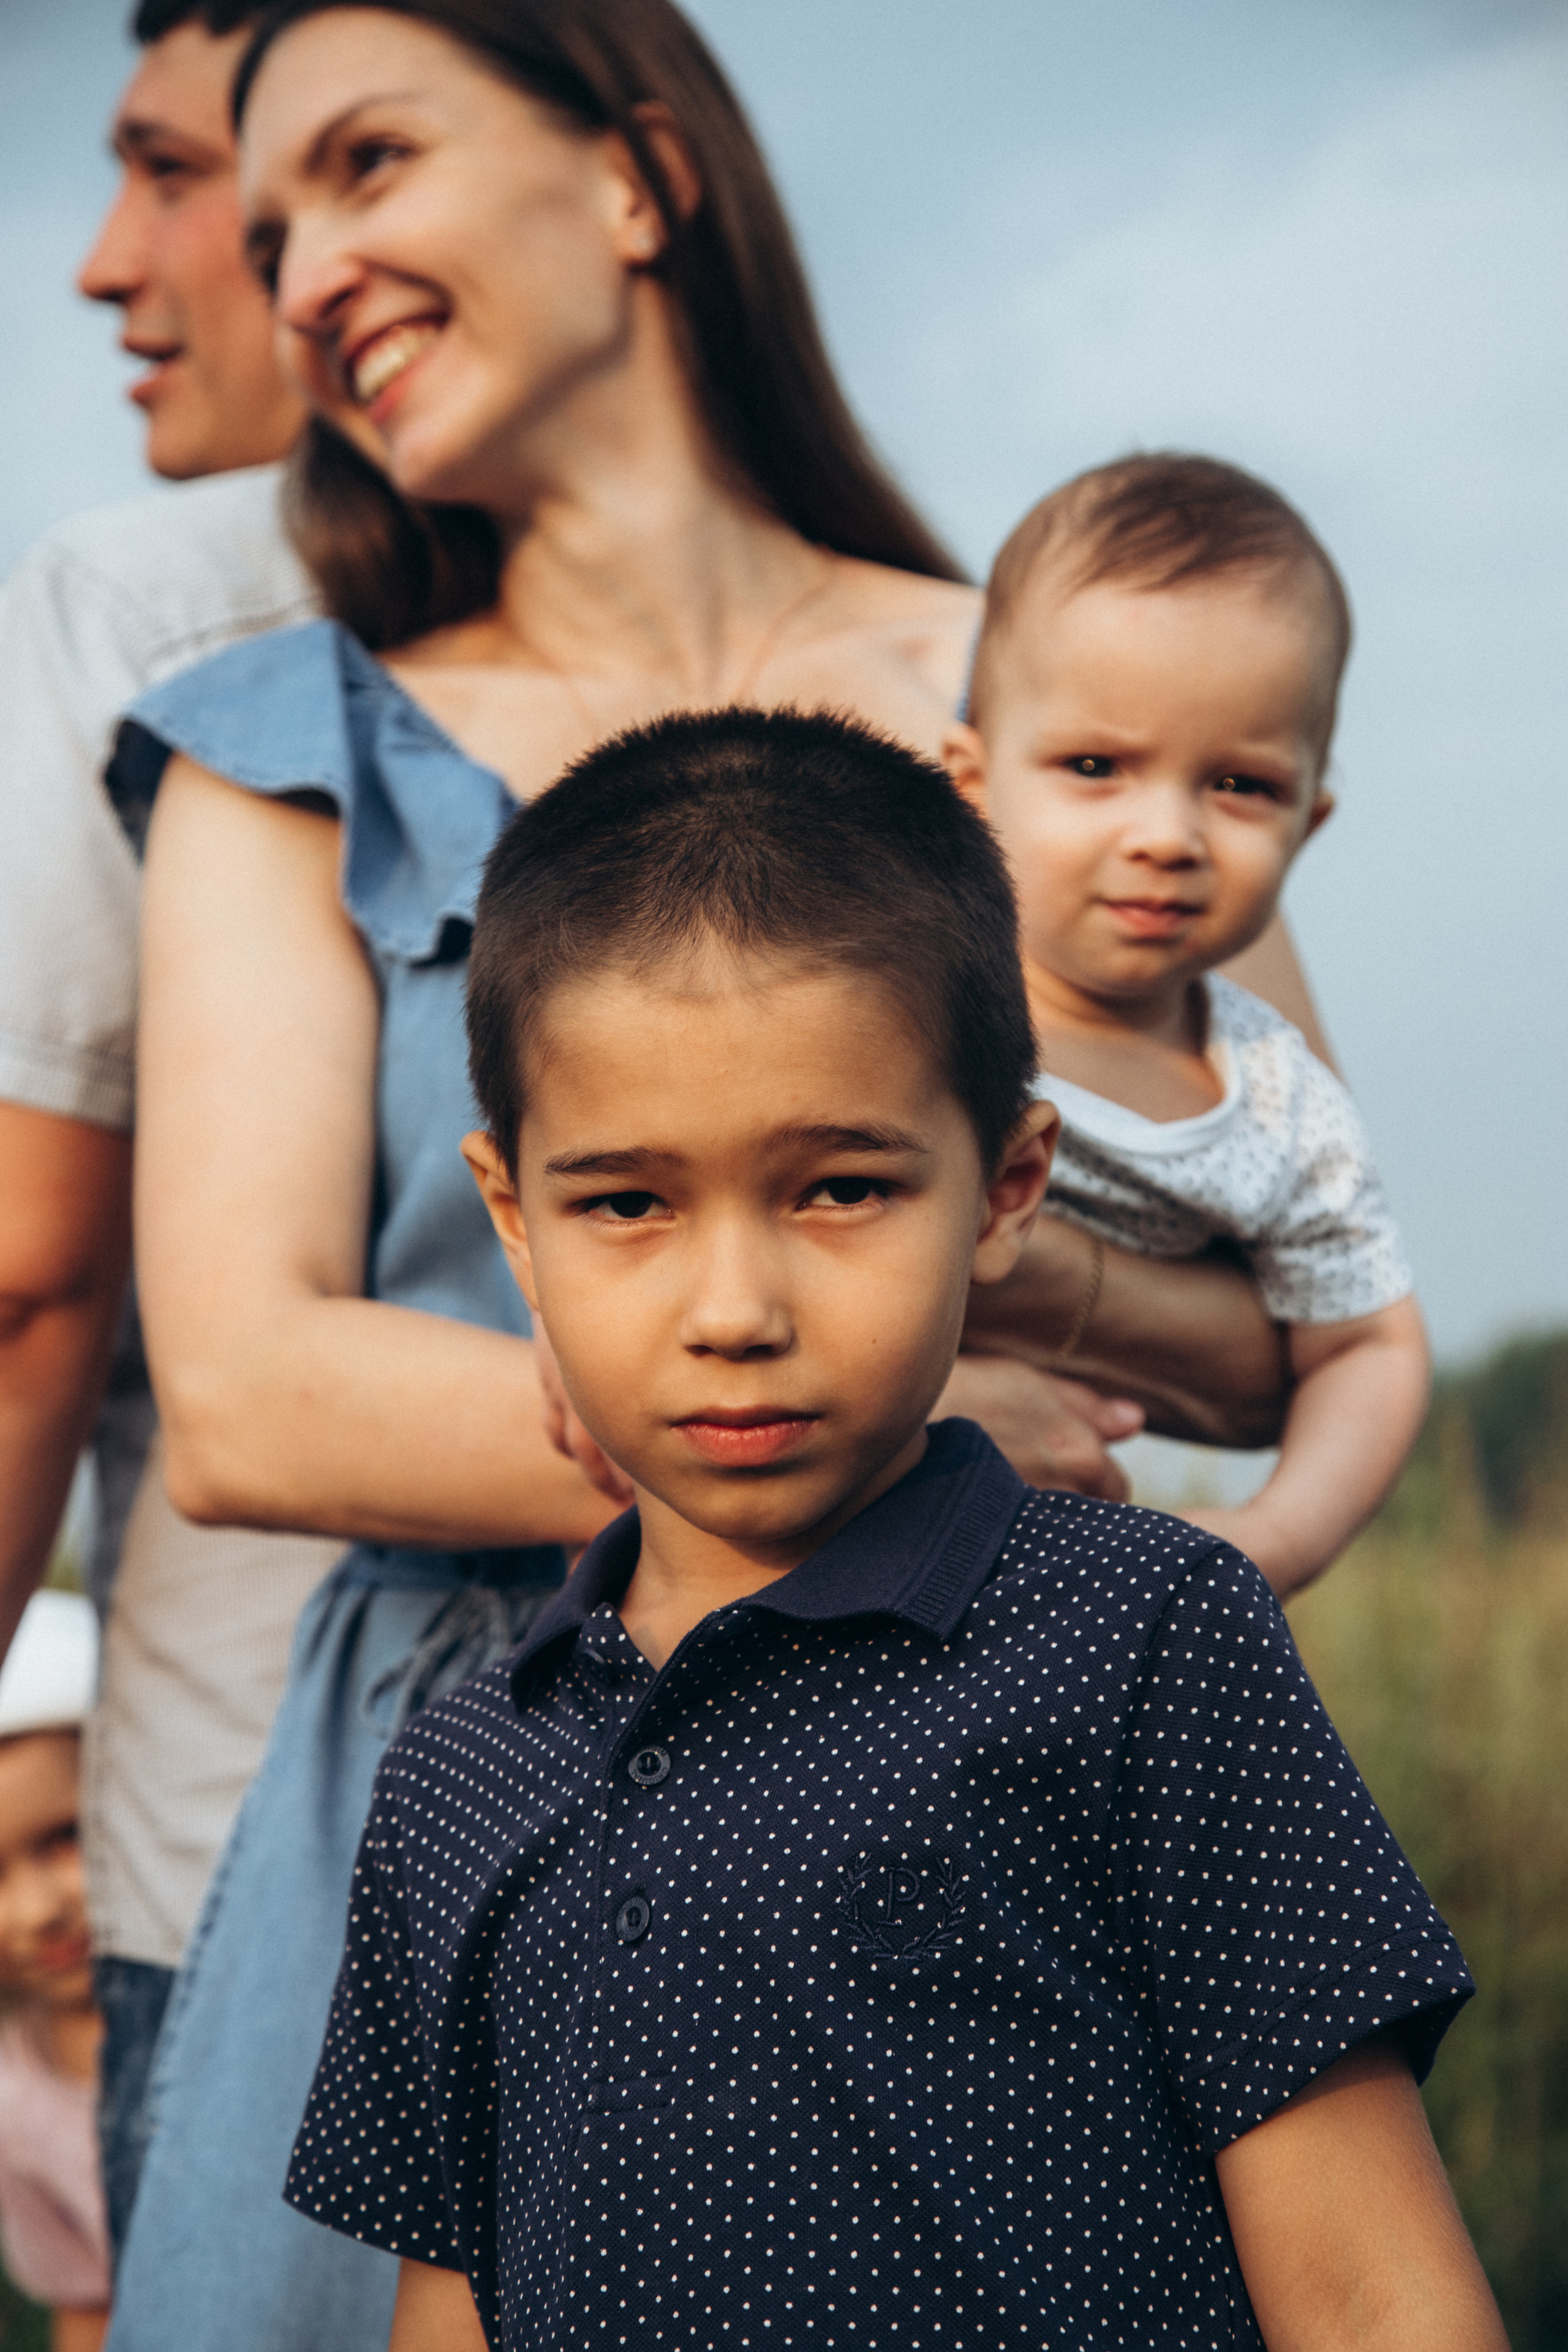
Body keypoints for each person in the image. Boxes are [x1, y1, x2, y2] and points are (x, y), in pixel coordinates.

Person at [110, 6, 1327, 2344]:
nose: (303, 272)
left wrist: (963, 1334)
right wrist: (864, 1424)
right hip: (474, 1759)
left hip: (974, 1711)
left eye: (368, 165)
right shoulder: (273, 752)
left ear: (636, 178)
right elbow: (250, 1392)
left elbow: (1282, 1274)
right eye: (271, 231)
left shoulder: (1041, 693)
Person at [283, 706, 1504, 2352]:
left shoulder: (1147, 1640)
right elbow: (453, 2313)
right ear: (513, 1215)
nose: (735, 1308)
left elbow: (1370, 2299)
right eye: (626, 1202)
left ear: (1007, 1187)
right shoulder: (455, 1771)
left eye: (842, 1187)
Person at [0, 0, 348, 2266]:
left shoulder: (158, 603)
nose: (104, 263)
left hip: (258, 1851)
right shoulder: (904, 612)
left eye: (167, 168)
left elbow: (24, 1277)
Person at [944, 453, 1430, 1596]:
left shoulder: (1276, 1102)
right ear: (972, 783)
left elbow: (1368, 1344)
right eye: (1096, 766)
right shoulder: (904, 999)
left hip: (1023, 1581)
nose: (1167, 833)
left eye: (1241, 786)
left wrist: (1265, 1544)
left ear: (1309, 822)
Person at [0, 1593, 110, 2352]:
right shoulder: (13, 2097)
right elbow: (87, 2308)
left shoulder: (249, 2007)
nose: (37, 1911)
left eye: (62, 1838)